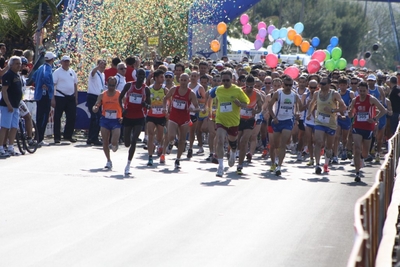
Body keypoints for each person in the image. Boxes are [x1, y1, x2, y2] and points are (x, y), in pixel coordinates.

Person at [210, 70, 250, 177]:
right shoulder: (218, 90)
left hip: (233, 121)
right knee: (219, 140)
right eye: (223, 80)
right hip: (220, 120)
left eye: (227, 80)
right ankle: (220, 167)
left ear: (232, 79)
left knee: (233, 143)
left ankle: (233, 152)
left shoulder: (237, 90)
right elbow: (211, 98)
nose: (225, 82)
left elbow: (246, 104)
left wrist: (239, 103)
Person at [307, 76, 347, 174]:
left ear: (329, 85)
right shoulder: (316, 93)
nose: (321, 85)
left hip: (331, 123)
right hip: (319, 122)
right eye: (320, 83)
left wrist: (333, 110)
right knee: (318, 142)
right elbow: (312, 104)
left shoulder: (334, 94)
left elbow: (344, 107)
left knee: (329, 146)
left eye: (324, 84)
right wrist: (309, 113)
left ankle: (326, 164)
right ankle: (317, 165)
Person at [348, 81, 387, 182]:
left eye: (364, 91)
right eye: (360, 91)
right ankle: (357, 172)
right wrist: (350, 115)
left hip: (368, 128)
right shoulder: (354, 100)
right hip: (357, 127)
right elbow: (351, 113)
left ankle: (362, 158)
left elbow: (383, 110)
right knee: (356, 148)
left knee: (365, 153)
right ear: (358, 91)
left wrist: (374, 119)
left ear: (367, 90)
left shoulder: (371, 99)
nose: (362, 93)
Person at [267, 75, 303, 176]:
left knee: (283, 144)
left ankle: (279, 166)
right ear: (283, 85)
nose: (288, 87)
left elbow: (298, 107)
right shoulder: (278, 93)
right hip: (277, 121)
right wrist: (273, 117)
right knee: (274, 145)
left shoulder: (294, 95)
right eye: (286, 85)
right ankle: (273, 162)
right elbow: (270, 106)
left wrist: (297, 114)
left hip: (288, 121)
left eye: (290, 85)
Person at [162, 73, 200, 168]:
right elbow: (165, 98)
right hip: (174, 116)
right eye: (182, 80)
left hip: (184, 118)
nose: (183, 82)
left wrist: (193, 110)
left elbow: (197, 107)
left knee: (182, 140)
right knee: (171, 136)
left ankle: (178, 159)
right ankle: (171, 143)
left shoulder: (191, 93)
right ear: (179, 80)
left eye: (185, 80)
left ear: (188, 81)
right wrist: (165, 108)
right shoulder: (174, 89)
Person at [119, 68, 151, 175]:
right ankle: (128, 141)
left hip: (139, 117)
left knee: (133, 141)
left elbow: (149, 105)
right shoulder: (129, 85)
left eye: (143, 75)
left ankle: (128, 164)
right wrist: (122, 109)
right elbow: (120, 98)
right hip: (128, 116)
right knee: (127, 142)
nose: (141, 77)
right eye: (139, 75)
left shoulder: (146, 89)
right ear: (136, 75)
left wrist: (145, 105)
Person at [92, 77, 122, 169]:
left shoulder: (119, 95)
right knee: (105, 141)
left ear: (116, 85)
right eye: (110, 85)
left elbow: (125, 106)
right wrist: (95, 108)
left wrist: (123, 116)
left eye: (113, 85)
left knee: (113, 143)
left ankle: (115, 144)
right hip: (105, 120)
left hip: (116, 120)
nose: (111, 87)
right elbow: (96, 104)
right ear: (107, 84)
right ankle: (108, 161)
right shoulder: (102, 95)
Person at [236, 75, 263, 174]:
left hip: (250, 120)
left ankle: (240, 165)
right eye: (247, 86)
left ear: (254, 85)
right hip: (238, 119)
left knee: (244, 141)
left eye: (251, 87)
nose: (249, 88)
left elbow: (260, 108)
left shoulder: (257, 94)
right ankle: (234, 152)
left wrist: (256, 111)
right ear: (245, 84)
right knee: (236, 140)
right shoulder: (240, 91)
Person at [52, 55, 78, 143]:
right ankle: (57, 137)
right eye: (65, 61)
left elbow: (75, 85)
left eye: (68, 61)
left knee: (72, 117)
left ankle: (68, 135)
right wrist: (53, 98)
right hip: (60, 96)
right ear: (61, 62)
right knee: (57, 117)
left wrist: (76, 98)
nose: (66, 63)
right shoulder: (57, 72)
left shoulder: (72, 72)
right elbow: (53, 85)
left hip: (71, 97)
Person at [0, 56, 23, 157]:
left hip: (16, 105)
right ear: (11, 64)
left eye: (20, 63)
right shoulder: (8, 75)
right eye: (17, 63)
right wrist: (8, 104)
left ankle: (10, 147)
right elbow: (4, 91)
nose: (19, 65)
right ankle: (1, 147)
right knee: (5, 127)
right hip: (7, 106)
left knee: (14, 127)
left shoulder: (17, 75)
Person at [32, 51, 56, 146]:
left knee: (39, 116)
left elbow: (33, 77)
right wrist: (47, 85)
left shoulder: (41, 67)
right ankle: (40, 138)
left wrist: (38, 84)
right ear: (52, 60)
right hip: (44, 95)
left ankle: (37, 137)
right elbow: (46, 77)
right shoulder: (48, 68)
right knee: (44, 117)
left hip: (39, 94)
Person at [146, 69, 168, 166]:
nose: (163, 79)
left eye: (163, 77)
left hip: (161, 116)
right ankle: (150, 157)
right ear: (155, 78)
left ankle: (158, 144)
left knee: (159, 137)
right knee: (150, 134)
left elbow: (169, 101)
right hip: (151, 115)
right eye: (161, 77)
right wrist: (147, 106)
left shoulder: (164, 89)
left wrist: (167, 109)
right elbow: (145, 100)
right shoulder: (149, 89)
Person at [86, 59, 106, 146]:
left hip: (99, 97)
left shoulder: (103, 74)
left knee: (96, 118)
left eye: (104, 65)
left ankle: (91, 137)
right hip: (92, 97)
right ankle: (93, 138)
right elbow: (93, 72)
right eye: (101, 64)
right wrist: (97, 67)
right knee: (96, 117)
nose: (103, 66)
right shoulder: (94, 73)